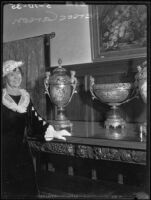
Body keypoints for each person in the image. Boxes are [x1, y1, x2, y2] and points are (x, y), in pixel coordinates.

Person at [1, 60, 71, 198]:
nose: (16, 77)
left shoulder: (25, 97)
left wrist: (54, 132)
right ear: (5, 78)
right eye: (11, 74)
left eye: (18, 73)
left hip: (22, 153)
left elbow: (35, 121)